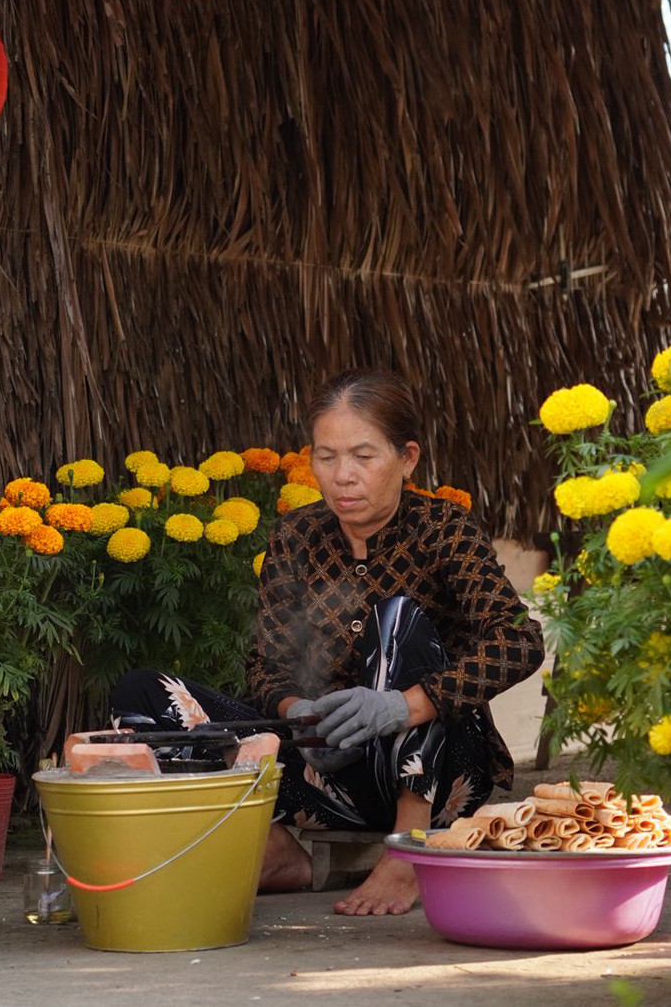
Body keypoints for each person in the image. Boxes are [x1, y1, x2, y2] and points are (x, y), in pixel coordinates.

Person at [110, 369, 545, 916]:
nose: (343, 477)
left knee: (398, 618)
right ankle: (273, 848)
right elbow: (264, 667)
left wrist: (399, 706)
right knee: (144, 692)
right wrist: (304, 715)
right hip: (330, 779)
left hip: (440, 774)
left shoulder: (443, 529)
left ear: (407, 458)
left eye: (364, 457)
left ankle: (409, 850)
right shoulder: (296, 536)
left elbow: (519, 641)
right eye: (326, 457)